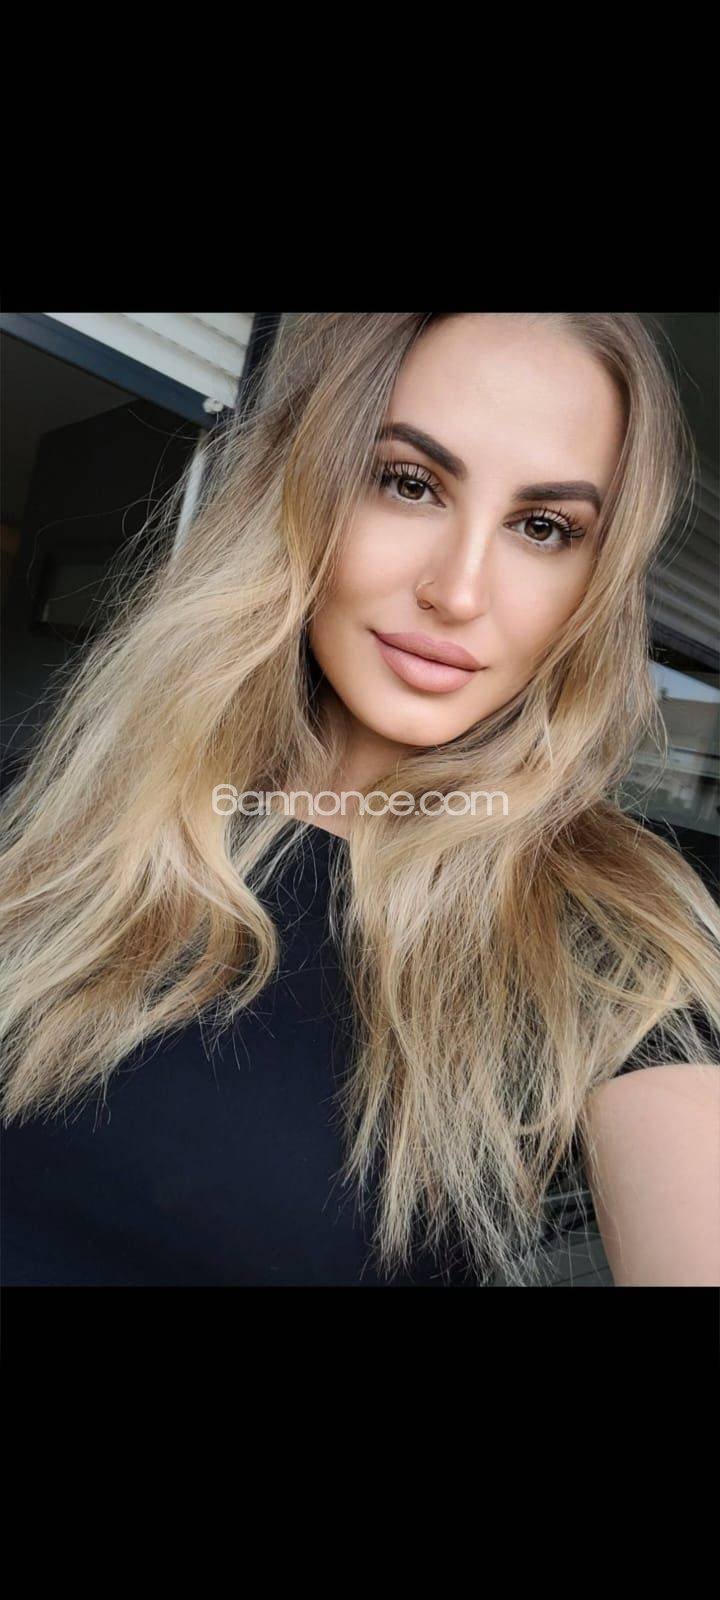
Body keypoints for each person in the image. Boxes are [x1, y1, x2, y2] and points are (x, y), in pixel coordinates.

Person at [1, 312, 719, 1288]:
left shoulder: (610, 932)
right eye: (410, 482)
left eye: (544, 528)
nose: (457, 591)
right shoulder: (59, 799)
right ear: (306, 483)